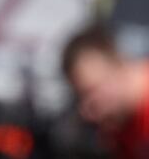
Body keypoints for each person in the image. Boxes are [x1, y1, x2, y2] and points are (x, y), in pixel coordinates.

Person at [63, 23, 149, 159]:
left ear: (120, 67)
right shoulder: (119, 126)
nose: (86, 112)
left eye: (91, 92)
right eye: (80, 98)